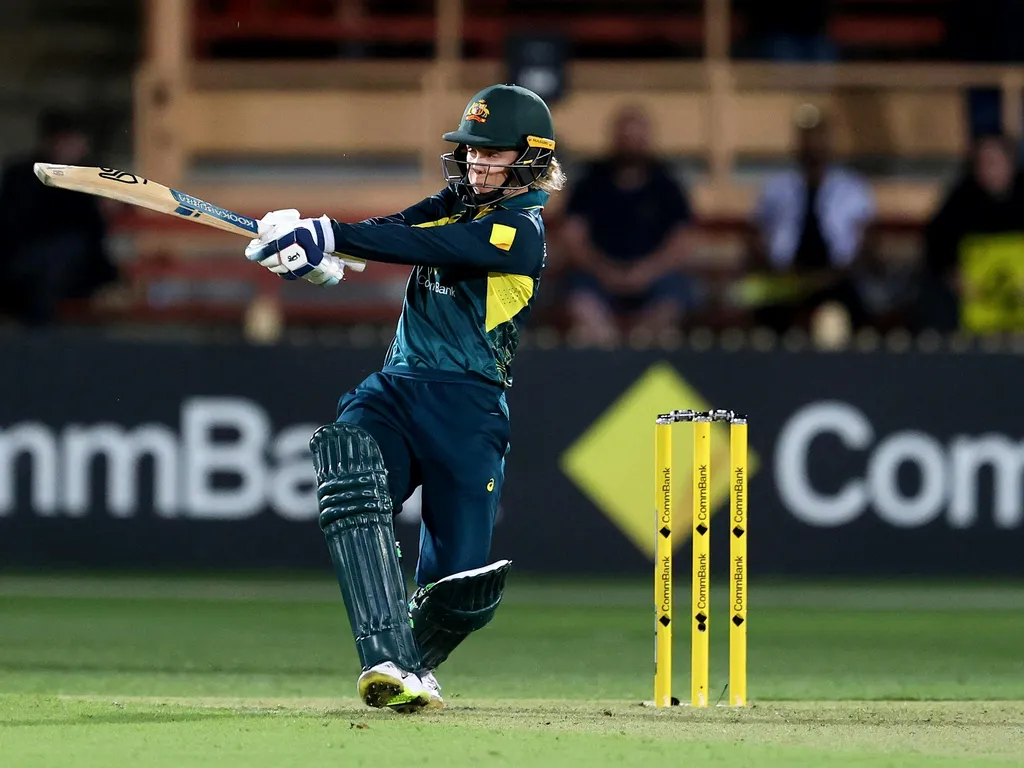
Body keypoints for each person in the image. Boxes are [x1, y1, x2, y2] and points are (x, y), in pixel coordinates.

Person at [244, 84, 566, 712]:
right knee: (350, 461)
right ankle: (386, 662)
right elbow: (390, 232)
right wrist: (314, 249)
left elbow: (423, 247)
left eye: (492, 152)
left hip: (468, 410)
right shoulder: (453, 203)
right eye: (472, 150)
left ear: (529, 158)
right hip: (396, 387)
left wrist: (330, 234)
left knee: (458, 593)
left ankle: (412, 666)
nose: (476, 162)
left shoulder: (520, 232)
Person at [560, 105, 694, 344]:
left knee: (672, 302)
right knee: (581, 303)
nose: (631, 143)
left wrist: (646, 272)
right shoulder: (590, 182)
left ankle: (643, 361)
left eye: (637, 137)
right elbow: (573, 237)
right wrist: (605, 271)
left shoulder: (667, 184)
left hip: (656, 277)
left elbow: (682, 241)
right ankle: (607, 368)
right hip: (597, 276)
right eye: (625, 137)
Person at [748, 105, 877, 332]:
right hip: (786, 277)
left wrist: (832, 276)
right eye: (807, 138)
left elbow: (865, 243)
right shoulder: (776, 188)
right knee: (761, 303)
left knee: (850, 308)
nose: (813, 146)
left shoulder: (851, 188)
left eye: (819, 138)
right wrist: (781, 270)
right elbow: (758, 238)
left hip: (837, 279)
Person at [0, 110, 118, 326]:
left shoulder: (86, 180)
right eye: (71, 143)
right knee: (51, 258)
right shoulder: (22, 174)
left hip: (72, 269)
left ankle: (39, 331)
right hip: (24, 262)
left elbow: (91, 234)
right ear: (53, 142)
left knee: (61, 253)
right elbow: (18, 223)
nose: (79, 149)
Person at [920, 132, 1024, 332]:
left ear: (1010, 162)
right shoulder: (962, 199)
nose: (989, 169)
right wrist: (952, 275)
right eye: (983, 163)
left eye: (995, 161)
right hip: (973, 298)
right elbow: (936, 242)